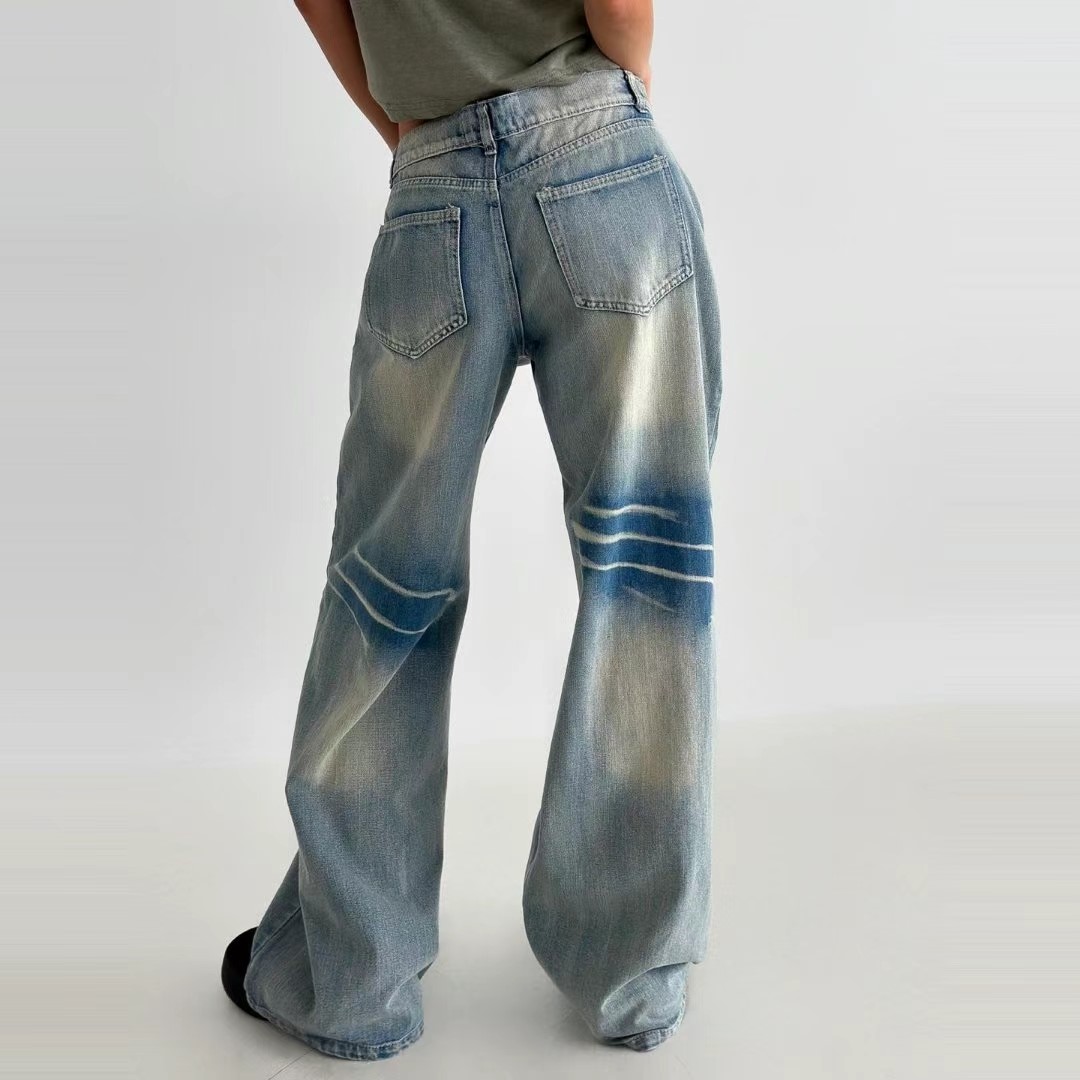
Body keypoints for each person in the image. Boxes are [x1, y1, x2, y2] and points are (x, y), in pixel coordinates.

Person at [220, 0, 723, 1062]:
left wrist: (409, 127)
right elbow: (618, 7)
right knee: (644, 578)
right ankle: (631, 974)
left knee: (385, 591)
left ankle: (350, 981)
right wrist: (614, 99)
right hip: (599, 155)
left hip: (433, 189)